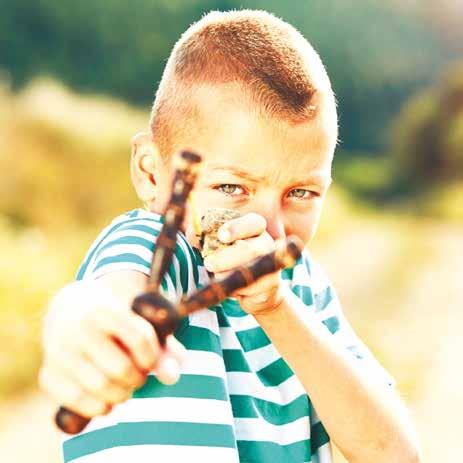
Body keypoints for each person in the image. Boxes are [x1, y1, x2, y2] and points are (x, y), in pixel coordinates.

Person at [39, 9, 422, 463]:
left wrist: (277, 307)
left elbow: (394, 453)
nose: (269, 230)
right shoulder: (157, 243)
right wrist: (77, 323)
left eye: (301, 192)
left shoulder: (304, 289)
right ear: (151, 173)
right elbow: (108, 296)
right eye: (232, 188)